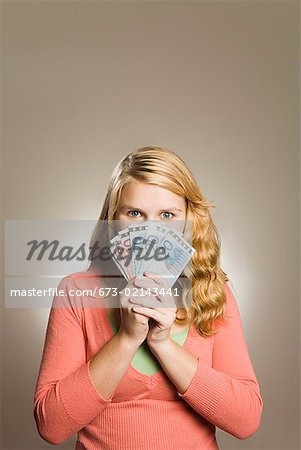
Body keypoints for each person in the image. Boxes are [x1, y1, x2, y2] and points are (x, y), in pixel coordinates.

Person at [33, 146, 263, 449]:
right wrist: (127, 339)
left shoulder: (213, 292)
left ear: (187, 219)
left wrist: (162, 343)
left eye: (167, 215)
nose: (150, 231)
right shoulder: (77, 292)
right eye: (134, 213)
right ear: (113, 220)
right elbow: (52, 425)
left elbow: (246, 420)